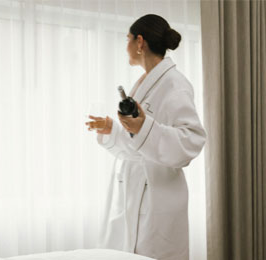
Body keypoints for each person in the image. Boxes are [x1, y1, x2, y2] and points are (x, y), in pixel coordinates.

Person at [85, 14, 206, 260]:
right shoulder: (146, 84)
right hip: (135, 191)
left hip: (158, 195)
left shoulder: (174, 84)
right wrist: (114, 129)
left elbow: (191, 140)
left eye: (127, 39)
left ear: (140, 42)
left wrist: (143, 127)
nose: (125, 46)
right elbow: (140, 143)